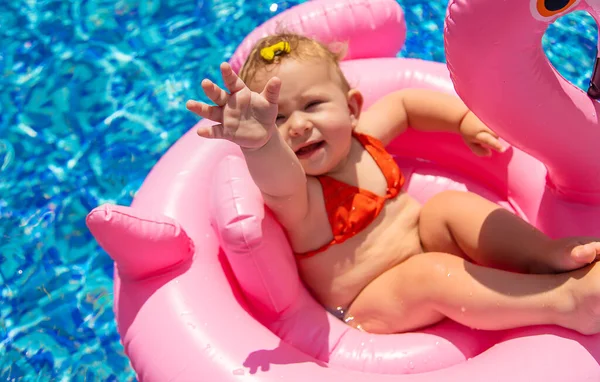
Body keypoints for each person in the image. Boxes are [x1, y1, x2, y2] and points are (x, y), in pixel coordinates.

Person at [186, 33, 600, 335]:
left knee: (448, 207)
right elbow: (276, 179)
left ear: (351, 109)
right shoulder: (301, 195)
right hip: (367, 302)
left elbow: (405, 105)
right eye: (277, 118)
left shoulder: (362, 142)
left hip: (423, 242)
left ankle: (544, 254)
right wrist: (261, 145)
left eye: (312, 105)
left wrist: (462, 121)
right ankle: (561, 304)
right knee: (429, 274)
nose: (298, 126)